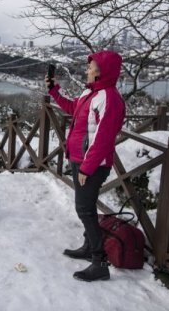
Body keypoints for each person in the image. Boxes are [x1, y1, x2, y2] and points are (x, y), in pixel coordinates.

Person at [45, 50, 125, 282]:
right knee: (86, 207)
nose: (87, 70)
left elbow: (104, 138)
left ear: (101, 71)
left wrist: (87, 168)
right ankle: (89, 247)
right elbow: (72, 109)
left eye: (90, 67)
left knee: (85, 210)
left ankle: (99, 262)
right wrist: (54, 91)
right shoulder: (91, 94)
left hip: (92, 164)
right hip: (80, 158)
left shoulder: (108, 97)